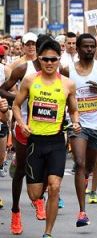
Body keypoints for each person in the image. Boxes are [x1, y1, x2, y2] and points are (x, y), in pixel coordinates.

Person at [12, 39, 75, 238]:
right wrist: (22, 124)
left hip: (56, 142)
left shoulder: (67, 83)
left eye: (53, 59)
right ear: (39, 59)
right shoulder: (31, 80)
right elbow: (16, 105)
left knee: (55, 187)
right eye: (45, 59)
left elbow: (74, 110)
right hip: (35, 142)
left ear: (59, 59)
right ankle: (29, 171)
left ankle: (48, 232)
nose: (49, 63)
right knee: (35, 194)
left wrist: (76, 121)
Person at [63, 33, 97, 226]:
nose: (89, 50)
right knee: (79, 162)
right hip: (77, 124)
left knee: (88, 168)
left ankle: (84, 178)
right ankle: (82, 212)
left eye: (92, 46)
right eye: (85, 46)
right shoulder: (67, 70)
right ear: (77, 49)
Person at [1, 34, 45, 235]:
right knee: (20, 169)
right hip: (24, 122)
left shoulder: (56, 70)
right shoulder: (22, 68)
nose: (33, 48)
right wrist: (21, 97)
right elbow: (3, 90)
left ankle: (39, 199)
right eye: (29, 44)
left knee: (46, 164)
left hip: (47, 124)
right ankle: (16, 212)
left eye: (35, 44)